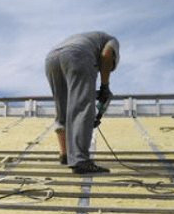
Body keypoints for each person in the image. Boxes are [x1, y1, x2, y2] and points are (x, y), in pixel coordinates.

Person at [45, 31, 119, 174]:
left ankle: (65, 155)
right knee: (82, 107)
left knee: (62, 108)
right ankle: (80, 161)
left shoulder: (88, 38)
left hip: (51, 58)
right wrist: (105, 85)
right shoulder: (112, 40)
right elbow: (107, 54)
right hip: (78, 56)